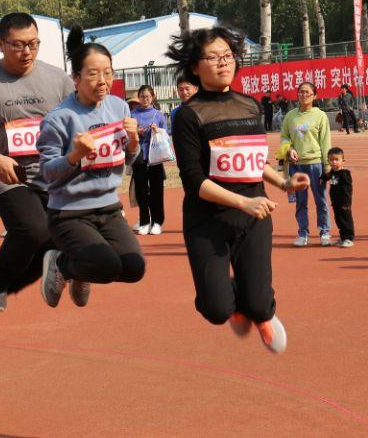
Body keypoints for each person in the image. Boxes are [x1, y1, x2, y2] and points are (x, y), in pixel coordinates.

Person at [168, 25, 309, 354]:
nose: (222, 62)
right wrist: (241, 203)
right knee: (217, 310)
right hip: (208, 221)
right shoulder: (188, 115)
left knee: (260, 305)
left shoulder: (249, 106)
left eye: (228, 56)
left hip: (253, 217)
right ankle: (234, 299)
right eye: (212, 57)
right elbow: (193, 180)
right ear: (194, 66)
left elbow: (252, 160)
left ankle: (260, 312)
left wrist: (283, 181)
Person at [0, 12, 76, 314]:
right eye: (18, 45)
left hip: (52, 172)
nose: (27, 52)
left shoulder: (58, 80)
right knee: (34, 230)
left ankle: (8, 282)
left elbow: (76, 123)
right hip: (5, 175)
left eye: (34, 44)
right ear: (0, 44)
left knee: (59, 236)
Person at [36, 27, 146, 308]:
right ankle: (61, 264)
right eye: (93, 74)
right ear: (75, 78)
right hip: (69, 213)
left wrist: (133, 142)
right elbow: (47, 173)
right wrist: (75, 155)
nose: (102, 81)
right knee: (106, 266)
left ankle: (81, 269)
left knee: (134, 268)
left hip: (108, 208)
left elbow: (129, 159)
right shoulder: (58, 119)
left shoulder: (119, 107)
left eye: (107, 72)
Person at [280, 82, 332, 246]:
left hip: (315, 164)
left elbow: (325, 142)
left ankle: (324, 232)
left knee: (320, 200)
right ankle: (303, 234)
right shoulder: (290, 116)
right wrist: (289, 149)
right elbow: (284, 137)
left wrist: (327, 165)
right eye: (301, 92)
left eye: (307, 92)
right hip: (297, 165)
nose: (303, 95)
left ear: (314, 96)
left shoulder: (320, 115)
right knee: (301, 201)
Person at [129, 84, 168, 235]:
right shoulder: (132, 114)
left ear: (153, 97)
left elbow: (165, 134)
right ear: (138, 98)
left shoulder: (158, 114)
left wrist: (158, 130)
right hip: (139, 157)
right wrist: (135, 132)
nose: (145, 99)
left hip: (155, 157)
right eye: (142, 97)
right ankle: (145, 221)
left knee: (157, 190)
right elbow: (126, 133)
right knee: (141, 191)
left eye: (148, 96)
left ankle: (157, 221)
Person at [321, 147, 354, 248]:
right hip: (335, 202)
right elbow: (326, 176)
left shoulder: (345, 174)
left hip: (344, 203)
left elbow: (348, 189)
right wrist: (322, 179)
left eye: (336, 160)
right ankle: (343, 237)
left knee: (346, 220)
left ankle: (348, 238)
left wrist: (347, 203)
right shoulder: (332, 172)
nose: (334, 162)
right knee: (338, 220)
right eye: (331, 160)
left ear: (343, 161)